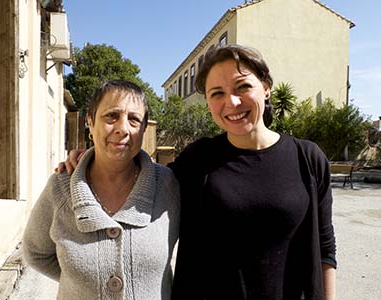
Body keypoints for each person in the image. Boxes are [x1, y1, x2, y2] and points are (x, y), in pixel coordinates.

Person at [59, 44, 337, 300]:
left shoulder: (308, 158)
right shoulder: (198, 160)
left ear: (265, 87)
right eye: (217, 93)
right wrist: (91, 160)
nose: (232, 102)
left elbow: (325, 248)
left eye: (242, 87)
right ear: (208, 103)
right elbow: (139, 177)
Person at [22, 79, 180, 300]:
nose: (122, 128)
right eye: (111, 116)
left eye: (134, 119)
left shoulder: (168, 185)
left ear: (144, 129)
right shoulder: (60, 188)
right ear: (90, 121)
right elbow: (35, 253)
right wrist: (81, 283)